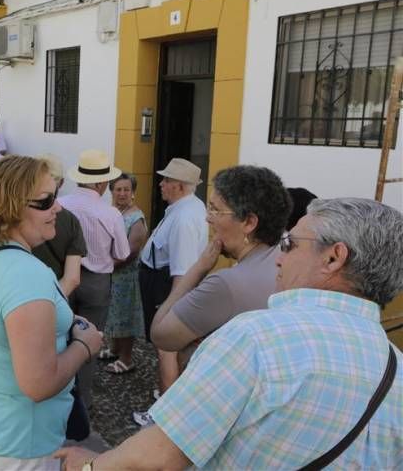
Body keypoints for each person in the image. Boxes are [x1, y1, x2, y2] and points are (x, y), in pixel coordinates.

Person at [56, 198, 403, 471]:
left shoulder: (257, 337)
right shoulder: (396, 369)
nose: (279, 259)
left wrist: (87, 466)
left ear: (333, 257)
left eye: (290, 243)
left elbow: (159, 456)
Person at [0, 155, 104, 470]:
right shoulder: (27, 274)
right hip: (22, 442)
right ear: (11, 207)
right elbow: (38, 383)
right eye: (45, 200)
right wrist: (85, 346)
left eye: (56, 196)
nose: (59, 207)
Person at [150, 166, 291, 373]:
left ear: (249, 222)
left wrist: (199, 268)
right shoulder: (283, 259)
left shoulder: (226, 285)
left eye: (216, 209)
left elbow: (161, 335)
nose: (208, 218)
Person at [135, 157, 206, 421]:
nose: (161, 184)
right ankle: (170, 401)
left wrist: (172, 308)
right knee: (167, 348)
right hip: (160, 283)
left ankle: (165, 416)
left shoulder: (185, 218)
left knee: (166, 348)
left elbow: (182, 270)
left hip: (165, 287)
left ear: (179, 186)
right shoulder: (185, 208)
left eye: (166, 180)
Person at [58, 149, 130, 408]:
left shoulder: (62, 204)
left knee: (61, 338)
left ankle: (58, 396)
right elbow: (122, 253)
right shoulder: (111, 214)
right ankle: (82, 401)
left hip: (64, 277)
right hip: (97, 282)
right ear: (101, 183)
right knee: (89, 342)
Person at [100, 173, 148, 375]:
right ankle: (114, 349)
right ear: (111, 191)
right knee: (113, 315)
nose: (122, 193)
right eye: (118, 189)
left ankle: (126, 359)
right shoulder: (110, 212)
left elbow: (129, 253)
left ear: (133, 193)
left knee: (125, 317)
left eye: (126, 189)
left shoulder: (136, 218)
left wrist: (105, 266)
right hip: (110, 273)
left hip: (125, 277)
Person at [32, 154, 87, 297]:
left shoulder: (21, 215)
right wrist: (52, 303)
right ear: (61, 183)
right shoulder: (70, 221)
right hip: (60, 296)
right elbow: (72, 279)